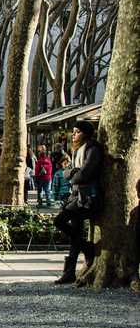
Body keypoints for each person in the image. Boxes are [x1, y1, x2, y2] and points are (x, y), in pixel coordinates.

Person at [53, 120, 103, 285]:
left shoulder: (93, 149)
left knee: (59, 221)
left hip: (87, 197)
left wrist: (72, 175)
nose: (74, 135)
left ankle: (87, 249)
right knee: (75, 234)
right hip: (76, 196)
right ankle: (70, 272)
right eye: (73, 132)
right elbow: (67, 171)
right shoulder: (77, 150)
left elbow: (85, 173)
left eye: (77, 132)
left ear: (86, 133)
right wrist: (73, 173)